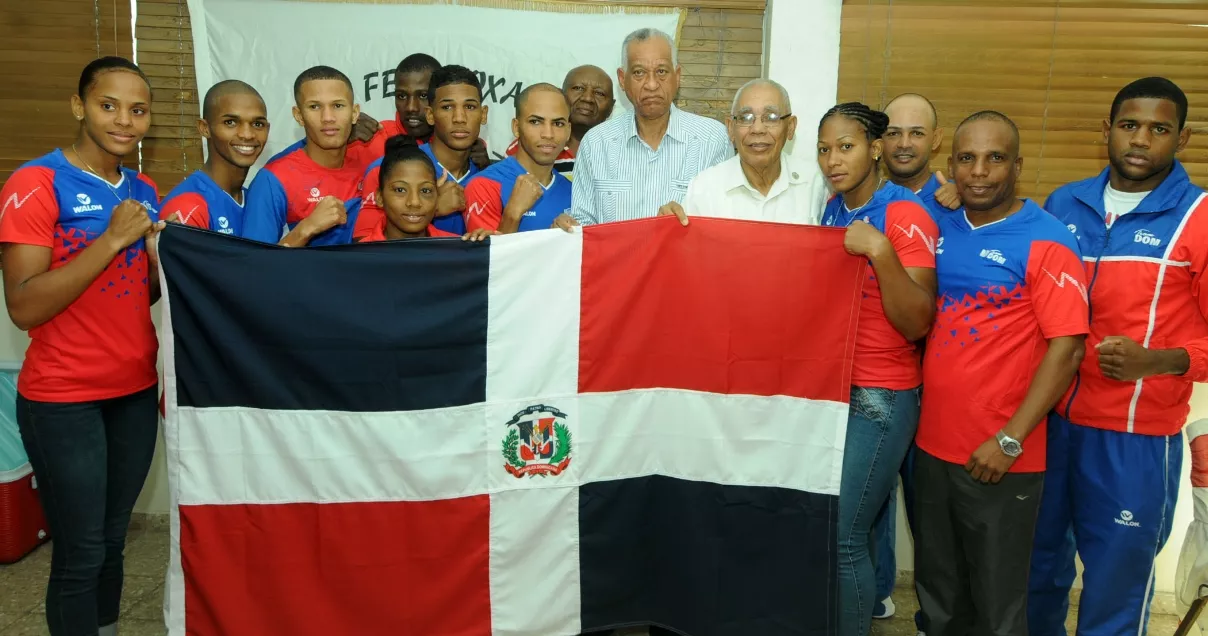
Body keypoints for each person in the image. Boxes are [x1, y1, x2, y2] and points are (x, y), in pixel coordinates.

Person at [1029, 77, 1208, 636]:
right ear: (1108, 130)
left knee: (1114, 584)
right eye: (1130, 125)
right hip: (1049, 422)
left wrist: (1157, 362)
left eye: (1159, 129)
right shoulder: (1063, 203)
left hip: (1134, 438)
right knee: (1035, 570)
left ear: (1181, 139)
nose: (1141, 140)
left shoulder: (1199, 218)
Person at [0, 56, 164, 636]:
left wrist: (148, 258)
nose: (124, 120)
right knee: (80, 552)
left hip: (135, 392)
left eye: (138, 109)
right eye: (108, 105)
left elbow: (133, 296)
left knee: (113, 541)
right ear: (80, 106)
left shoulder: (143, 190)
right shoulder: (34, 183)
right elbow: (24, 304)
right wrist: (114, 238)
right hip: (63, 398)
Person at [913, 111, 1088, 636]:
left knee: (998, 607)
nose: (980, 172)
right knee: (939, 597)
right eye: (967, 159)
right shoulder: (940, 222)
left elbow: (1068, 349)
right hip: (932, 450)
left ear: (1018, 164)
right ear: (951, 165)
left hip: (1001, 456)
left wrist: (1010, 440)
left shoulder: (1047, 239)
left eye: (995, 159)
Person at [816, 102, 938, 636]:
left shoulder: (902, 214)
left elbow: (918, 321)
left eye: (845, 146)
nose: (833, 160)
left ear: (875, 148)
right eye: (824, 149)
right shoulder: (833, 209)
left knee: (842, 535)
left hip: (881, 396)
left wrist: (882, 252)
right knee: (851, 534)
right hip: (835, 389)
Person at [869, 90, 954, 621]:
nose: (903, 143)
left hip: (941, 379)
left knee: (931, 512)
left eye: (916, 133)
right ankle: (875, 595)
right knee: (872, 499)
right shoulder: (854, 198)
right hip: (879, 377)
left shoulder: (962, 197)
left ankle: (934, 617)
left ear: (936, 140)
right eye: (893, 132)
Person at [555, 28, 731, 230]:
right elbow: (584, 228)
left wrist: (687, 223)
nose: (652, 84)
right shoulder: (596, 143)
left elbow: (723, 223)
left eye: (662, 72)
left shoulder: (712, 139)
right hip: (617, 262)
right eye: (639, 73)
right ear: (622, 79)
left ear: (678, 76)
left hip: (685, 262)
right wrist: (568, 228)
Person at [657, 78, 826, 225]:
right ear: (730, 128)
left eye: (771, 117)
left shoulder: (815, 183)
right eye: (745, 118)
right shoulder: (704, 188)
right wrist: (666, 226)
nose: (758, 129)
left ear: (790, 127)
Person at [353, 64, 487, 240]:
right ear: (430, 115)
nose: (459, 118)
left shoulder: (490, 176)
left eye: (469, 107)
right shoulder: (387, 169)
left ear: (483, 114)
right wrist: (433, 208)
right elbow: (364, 253)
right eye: (447, 107)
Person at [241, 65, 365, 246]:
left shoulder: (368, 169)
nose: (328, 117)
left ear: (354, 113)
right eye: (315, 106)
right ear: (298, 116)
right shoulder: (273, 180)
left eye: (338, 106)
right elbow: (253, 265)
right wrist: (306, 229)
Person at [159, 80, 269, 236]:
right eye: (230, 122)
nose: (247, 134)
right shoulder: (187, 206)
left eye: (257, 124)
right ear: (205, 128)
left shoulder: (256, 199)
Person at [464, 83, 572, 234]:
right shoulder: (484, 186)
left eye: (558, 123)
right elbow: (488, 257)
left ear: (568, 131)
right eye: (535, 122)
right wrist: (512, 214)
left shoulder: (572, 191)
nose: (548, 134)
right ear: (516, 127)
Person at [351, 54, 491, 169]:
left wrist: (486, 168)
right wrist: (343, 139)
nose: (411, 107)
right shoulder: (371, 138)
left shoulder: (463, 140)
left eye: (423, 96)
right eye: (402, 96)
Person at [357, 135, 492, 243]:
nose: (414, 202)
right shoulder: (359, 258)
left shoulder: (455, 250)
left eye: (425, 191)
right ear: (379, 197)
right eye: (400, 190)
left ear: (437, 196)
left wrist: (493, 246)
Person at [503, 64, 615, 179]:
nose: (587, 98)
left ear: (611, 107)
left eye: (599, 93)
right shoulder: (526, 147)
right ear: (561, 96)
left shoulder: (620, 152)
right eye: (578, 88)